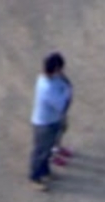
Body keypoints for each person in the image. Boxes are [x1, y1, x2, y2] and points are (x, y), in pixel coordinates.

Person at [28, 52, 72, 191]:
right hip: (44, 124)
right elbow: (61, 104)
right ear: (56, 69)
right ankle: (34, 177)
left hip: (52, 120)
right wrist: (67, 92)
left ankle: (45, 172)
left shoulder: (50, 79)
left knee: (47, 150)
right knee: (41, 152)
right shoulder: (47, 87)